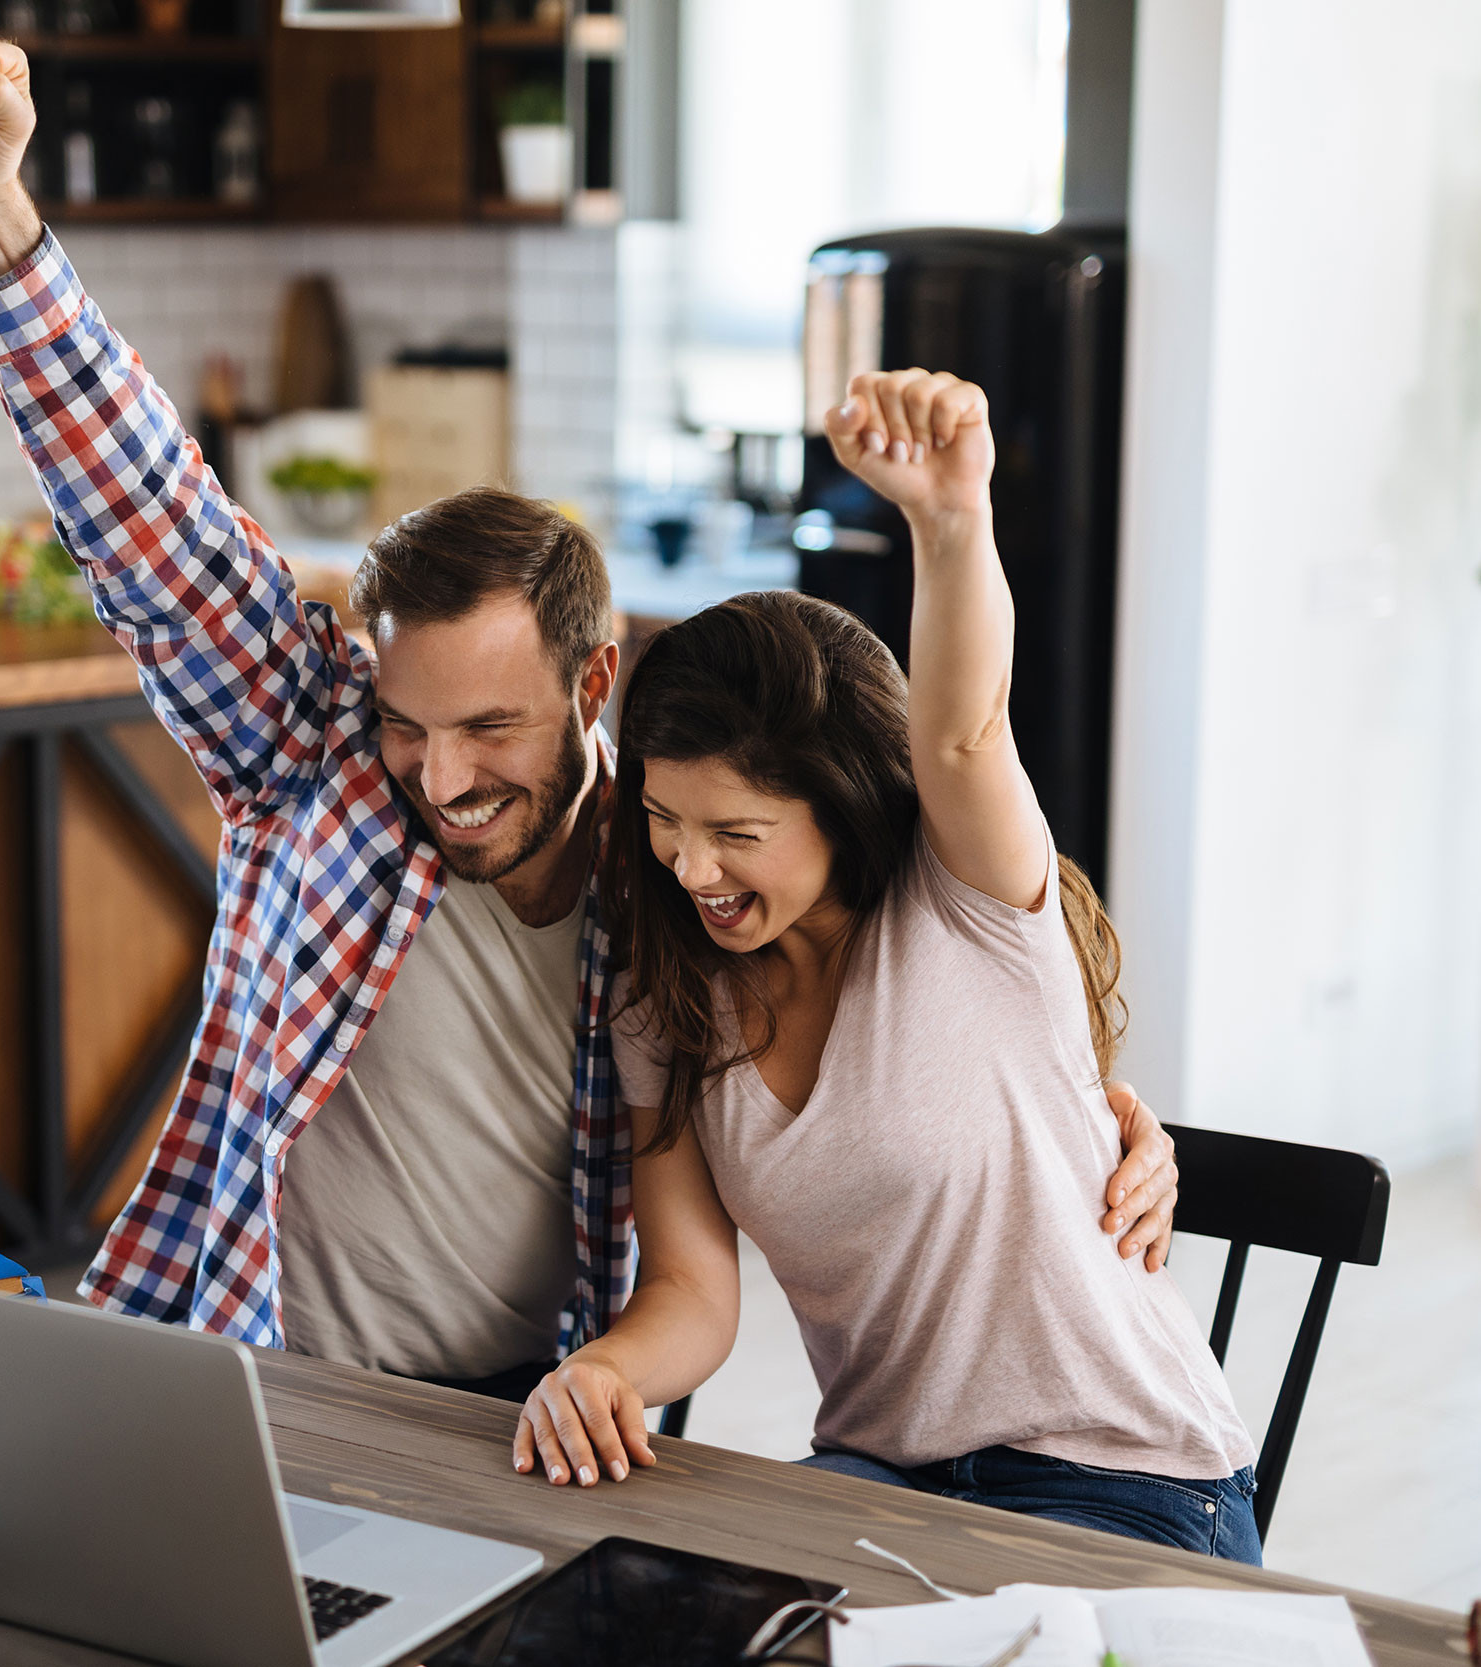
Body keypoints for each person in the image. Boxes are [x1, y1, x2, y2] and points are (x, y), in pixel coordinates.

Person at [0, 40, 1184, 1397]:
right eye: (407, 720)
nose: (439, 775)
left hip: (516, 1406)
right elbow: (150, 516)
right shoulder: (310, 750)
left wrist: (1100, 1123)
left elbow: (927, 1005)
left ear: (590, 683)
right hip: (248, 1372)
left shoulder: (678, 876)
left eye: (490, 727)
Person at [507, 369, 1261, 1562]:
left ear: (842, 804)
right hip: (884, 1476)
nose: (690, 865)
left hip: (1124, 1474)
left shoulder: (962, 902)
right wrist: (604, 1368)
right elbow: (693, 1290)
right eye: (663, 819)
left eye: (736, 831)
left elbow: (961, 732)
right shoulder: (671, 1001)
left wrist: (950, 518)